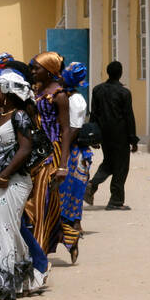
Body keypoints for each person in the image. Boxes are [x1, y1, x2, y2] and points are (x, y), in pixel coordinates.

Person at [0, 71, 51, 300]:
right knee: (10, 229)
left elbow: (25, 149)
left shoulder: (20, 117)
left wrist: (5, 173)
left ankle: (2, 282)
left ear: (6, 94)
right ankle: (27, 278)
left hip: (16, 181)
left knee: (1, 228)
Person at [27, 52, 70, 256]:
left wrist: (62, 165)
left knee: (43, 202)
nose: (33, 71)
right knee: (36, 201)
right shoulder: (36, 91)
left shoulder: (59, 95)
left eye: (37, 68)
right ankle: (67, 235)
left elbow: (66, 130)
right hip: (34, 152)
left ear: (50, 70)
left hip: (52, 153)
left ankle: (39, 252)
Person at [87, 61, 139, 211]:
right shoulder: (124, 93)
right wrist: (133, 139)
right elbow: (129, 117)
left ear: (108, 72)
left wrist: (93, 137)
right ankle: (116, 201)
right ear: (120, 73)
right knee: (121, 167)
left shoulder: (97, 90)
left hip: (104, 134)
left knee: (109, 162)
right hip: (120, 134)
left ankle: (92, 184)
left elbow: (94, 114)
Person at [58, 62, 94, 264]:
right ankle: (70, 236)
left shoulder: (77, 100)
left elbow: (73, 129)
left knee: (69, 196)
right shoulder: (63, 96)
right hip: (67, 150)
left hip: (71, 153)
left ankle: (71, 234)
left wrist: (61, 151)